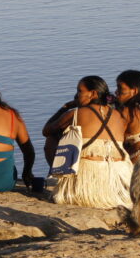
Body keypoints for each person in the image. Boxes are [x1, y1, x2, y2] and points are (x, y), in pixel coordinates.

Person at [42, 76, 131, 208]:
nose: (76, 95)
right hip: (117, 181)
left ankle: (56, 176)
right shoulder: (118, 115)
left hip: (87, 183)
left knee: (52, 138)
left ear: (93, 93)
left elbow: (46, 130)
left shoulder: (76, 113)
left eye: (79, 91)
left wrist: (64, 108)